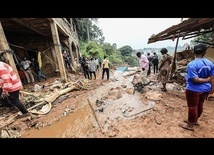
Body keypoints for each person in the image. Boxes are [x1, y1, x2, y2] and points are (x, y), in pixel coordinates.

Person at [179, 43, 214, 131]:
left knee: (192, 106)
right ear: (204, 52)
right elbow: (212, 78)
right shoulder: (210, 64)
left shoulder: (191, 65)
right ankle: (195, 121)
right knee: (200, 104)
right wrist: (212, 89)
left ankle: (190, 125)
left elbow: (195, 80)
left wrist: (206, 80)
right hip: (206, 89)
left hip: (193, 89)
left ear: (193, 52)